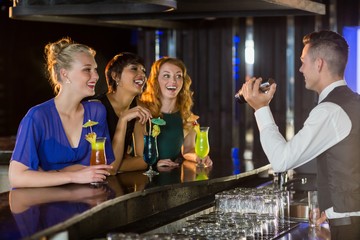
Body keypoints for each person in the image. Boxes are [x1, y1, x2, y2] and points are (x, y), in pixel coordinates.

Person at [241, 30, 360, 240]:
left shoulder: (329, 111)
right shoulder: (354, 101)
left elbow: (281, 160)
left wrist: (260, 108)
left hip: (349, 226)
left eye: (303, 61)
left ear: (319, 64)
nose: (300, 68)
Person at [9, 37, 114, 188]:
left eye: (95, 69)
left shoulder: (96, 112)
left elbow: (104, 167)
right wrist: (73, 175)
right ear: (65, 74)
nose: (96, 76)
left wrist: (51, 174)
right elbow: (17, 177)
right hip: (47, 205)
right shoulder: (38, 117)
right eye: (87, 69)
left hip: (88, 202)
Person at [140, 57, 213, 168]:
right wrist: (153, 163)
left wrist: (197, 157)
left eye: (178, 76)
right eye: (166, 75)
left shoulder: (187, 117)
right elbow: (132, 154)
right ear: (155, 80)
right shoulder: (142, 111)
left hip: (170, 177)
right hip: (139, 178)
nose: (173, 81)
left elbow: (188, 149)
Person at [97, 52, 152, 172]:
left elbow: (143, 160)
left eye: (143, 71)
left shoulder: (139, 106)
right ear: (115, 76)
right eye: (134, 69)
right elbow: (104, 167)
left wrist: (114, 166)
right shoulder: (97, 107)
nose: (142, 74)